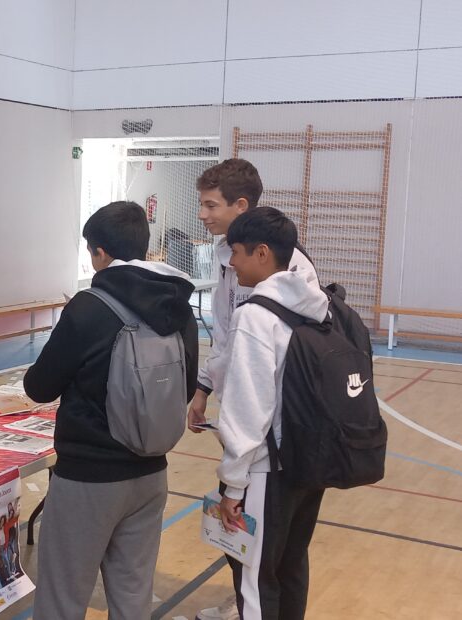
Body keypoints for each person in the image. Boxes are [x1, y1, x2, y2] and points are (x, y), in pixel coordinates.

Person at [24, 201, 198, 620]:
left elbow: (38, 387)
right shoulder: (178, 307)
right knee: (132, 595)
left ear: (100, 253)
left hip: (89, 478)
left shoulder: (88, 306)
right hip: (151, 472)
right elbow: (186, 386)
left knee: (62, 598)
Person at [188, 160, 318, 620]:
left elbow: (260, 385)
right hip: (273, 442)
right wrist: (204, 387)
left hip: (271, 446)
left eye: (210, 204)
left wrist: (236, 478)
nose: (201, 214)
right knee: (274, 555)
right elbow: (224, 336)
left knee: (261, 561)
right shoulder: (236, 260)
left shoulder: (286, 281)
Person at [214, 207, 329, 620]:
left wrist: (232, 487)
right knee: (291, 567)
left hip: (268, 468)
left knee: (257, 581)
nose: (231, 263)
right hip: (309, 461)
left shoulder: (256, 316)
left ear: (262, 253)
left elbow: (249, 410)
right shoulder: (318, 309)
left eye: (238, 253)